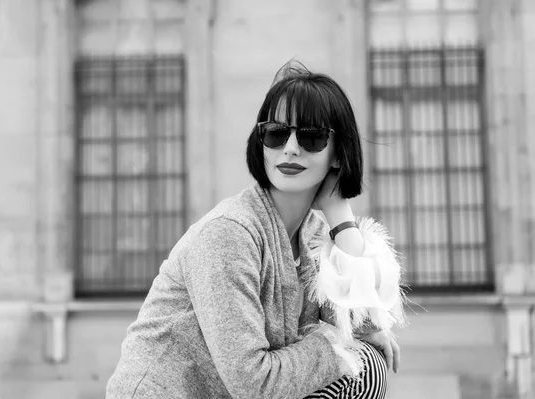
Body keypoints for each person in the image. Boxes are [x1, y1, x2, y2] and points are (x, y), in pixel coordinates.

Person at [106, 61, 406, 399]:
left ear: (339, 154)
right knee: (359, 363)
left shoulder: (309, 234)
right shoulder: (229, 234)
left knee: (368, 367)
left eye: (312, 137)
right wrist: (338, 341)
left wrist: (340, 213)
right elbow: (255, 384)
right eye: (276, 133)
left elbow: (361, 318)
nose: (290, 148)